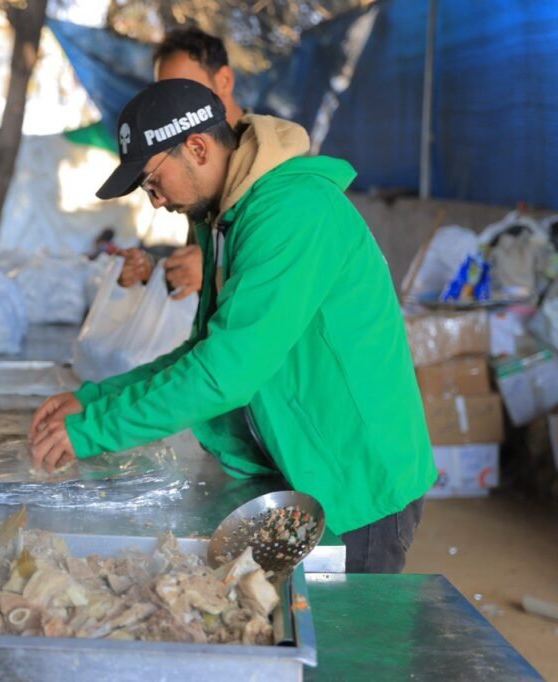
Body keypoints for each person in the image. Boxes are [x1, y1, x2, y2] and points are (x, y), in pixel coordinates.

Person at [30, 79, 436, 573]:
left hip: (353, 476)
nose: (154, 200)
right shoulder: (227, 219)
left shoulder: (294, 212)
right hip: (301, 462)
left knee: (337, 623)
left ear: (197, 148)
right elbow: (206, 350)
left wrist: (93, 431)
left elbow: (225, 373)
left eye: (153, 181)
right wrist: (96, 399)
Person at [119, 27, 246, 300]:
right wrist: (156, 270)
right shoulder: (194, 173)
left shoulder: (278, 168)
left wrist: (216, 268)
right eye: (162, 94)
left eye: (184, 88)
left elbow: (286, 277)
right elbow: (200, 258)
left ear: (224, 81)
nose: (168, 107)